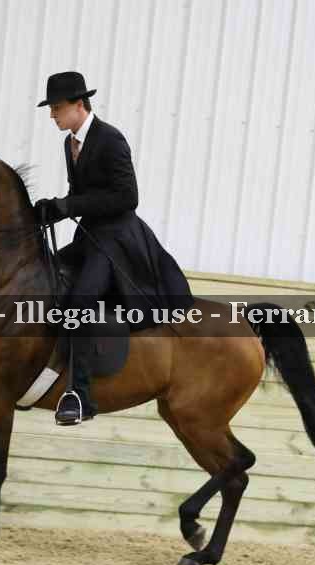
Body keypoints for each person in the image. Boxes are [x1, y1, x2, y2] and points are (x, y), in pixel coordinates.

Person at [34, 71, 193, 426]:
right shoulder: (70, 143)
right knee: (43, 275)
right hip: (90, 237)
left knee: (79, 303)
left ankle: (80, 396)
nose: (52, 114)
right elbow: (80, 196)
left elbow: (127, 197)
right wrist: (52, 210)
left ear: (78, 104)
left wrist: (69, 205)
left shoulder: (110, 139)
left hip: (117, 241)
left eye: (57, 107)